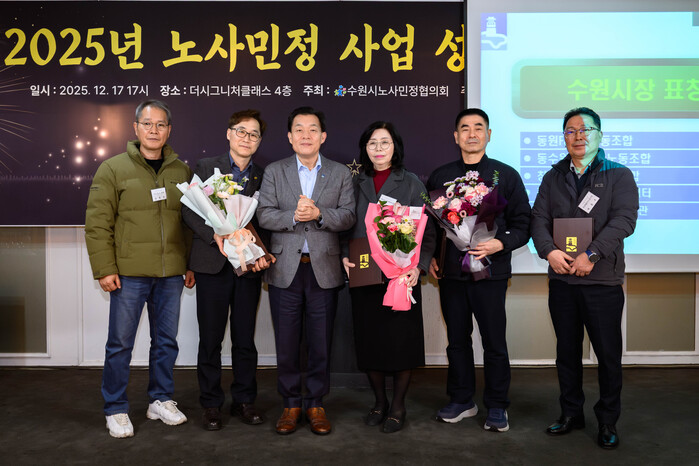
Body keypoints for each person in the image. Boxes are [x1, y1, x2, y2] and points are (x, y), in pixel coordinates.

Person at [85, 100, 195, 438]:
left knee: (166, 342)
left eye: (160, 125)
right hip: (129, 273)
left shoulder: (181, 171)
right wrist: (104, 268)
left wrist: (189, 264)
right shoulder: (112, 168)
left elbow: (190, 223)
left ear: (169, 130)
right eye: (147, 124)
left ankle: (160, 399)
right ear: (135, 128)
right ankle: (115, 407)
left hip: (170, 273)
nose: (154, 130)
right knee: (120, 344)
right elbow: (97, 223)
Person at [531, 107, 638, 449]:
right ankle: (570, 413)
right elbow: (538, 219)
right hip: (562, 280)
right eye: (570, 130)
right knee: (566, 352)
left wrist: (591, 255)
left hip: (602, 281)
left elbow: (624, 220)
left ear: (599, 135)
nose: (578, 136)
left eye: (585, 129)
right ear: (564, 137)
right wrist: (549, 251)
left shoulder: (619, 175)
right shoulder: (553, 176)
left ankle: (607, 420)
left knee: (607, 356)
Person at [426, 108, 530, 432]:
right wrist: (431, 256)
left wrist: (500, 243)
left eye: (478, 128)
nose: (472, 134)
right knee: (457, 340)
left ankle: (497, 405)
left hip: (490, 272)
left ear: (488, 134)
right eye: (465, 128)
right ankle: (462, 400)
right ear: (455, 136)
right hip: (452, 274)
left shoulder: (505, 175)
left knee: (494, 341)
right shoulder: (440, 176)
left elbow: (524, 224)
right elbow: (431, 226)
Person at [257, 106, 356, 435]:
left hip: (323, 269)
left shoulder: (340, 173)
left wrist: (318, 214)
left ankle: (315, 403)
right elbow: (264, 215)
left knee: (320, 341)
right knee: (286, 342)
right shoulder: (275, 171)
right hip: (285, 269)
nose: (305, 135)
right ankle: (290, 404)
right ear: (289, 137)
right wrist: (293, 216)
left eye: (312, 129)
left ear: (323, 136)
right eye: (298, 129)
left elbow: (348, 216)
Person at [182, 109, 273, 431]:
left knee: (244, 338)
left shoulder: (265, 175)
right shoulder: (207, 167)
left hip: (247, 265)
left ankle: (244, 400)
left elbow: (266, 220)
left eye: (254, 134)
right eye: (241, 131)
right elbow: (189, 210)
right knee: (210, 339)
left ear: (259, 141)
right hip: (212, 263)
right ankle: (210, 403)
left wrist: (262, 253)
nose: (247, 138)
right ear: (229, 133)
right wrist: (215, 235)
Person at [341, 121, 435, 433]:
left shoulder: (411, 182)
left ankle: (398, 406)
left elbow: (428, 230)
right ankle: (379, 402)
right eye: (372, 143)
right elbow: (343, 224)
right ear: (364, 149)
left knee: (400, 343)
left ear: (395, 147)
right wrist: (344, 255)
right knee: (370, 341)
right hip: (364, 272)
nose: (378, 148)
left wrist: (419, 267)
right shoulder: (354, 182)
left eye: (385, 142)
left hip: (400, 276)